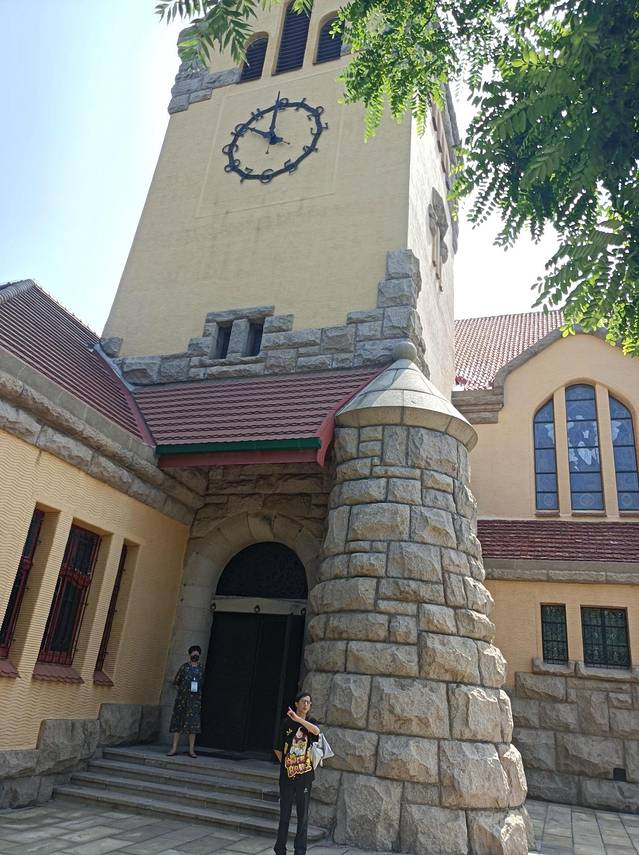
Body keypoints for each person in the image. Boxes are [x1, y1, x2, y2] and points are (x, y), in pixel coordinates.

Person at [273, 692, 320, 855]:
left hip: (305, 778)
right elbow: (278, 748)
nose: (306, 705)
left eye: (309, 702)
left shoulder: (311, 723)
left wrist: (299, 720)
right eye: (303, 701)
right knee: (284, 815)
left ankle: (300, 850)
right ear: (296, 703)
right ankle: (280, 849)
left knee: (303, 817)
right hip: (287, 777)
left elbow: (316, 732)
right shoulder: (286, 723)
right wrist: (289, 765)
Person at [167, 644, 203, 757]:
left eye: (197, 653)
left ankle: (191, 750)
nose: (195, 655)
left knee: (193, 726)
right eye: (193, 653)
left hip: (194, 702)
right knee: (178, 723)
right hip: (182, 700)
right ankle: (174, 748)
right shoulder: (184, 667)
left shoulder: (201, 669)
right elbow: (176, 681)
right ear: (190, 654)